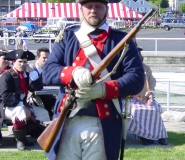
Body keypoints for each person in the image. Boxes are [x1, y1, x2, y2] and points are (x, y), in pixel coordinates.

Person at [42, 0, 145, 159]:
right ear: (81, 9)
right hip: (67, 121)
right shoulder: (68, 36)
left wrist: (104, 90)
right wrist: (73, 73)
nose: (93, 10)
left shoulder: (122, 40)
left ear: (107, 9)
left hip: (102, 123)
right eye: (88, 6)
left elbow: (136, 78)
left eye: (98, 6)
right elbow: (48, 72)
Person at [0, 49, 50, 150]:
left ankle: (44, 137)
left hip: (21, 105)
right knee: (19, 111)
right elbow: (6, 98)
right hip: (4, 108)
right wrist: (22, 106)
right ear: (14, 62)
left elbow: (37, 87)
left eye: (25, 62)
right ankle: (21, 141)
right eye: (20, 61)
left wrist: (32, 73)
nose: (22, 64)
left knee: (43, 113)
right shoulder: (6, 76)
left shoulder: (26, 75)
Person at [32, 47, 56, 118]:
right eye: (44, 58)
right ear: (38, 57)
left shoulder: (51, 68)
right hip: (36, 98)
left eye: (48, 58)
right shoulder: (32, 70)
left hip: (49, 96)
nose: (46, 60)